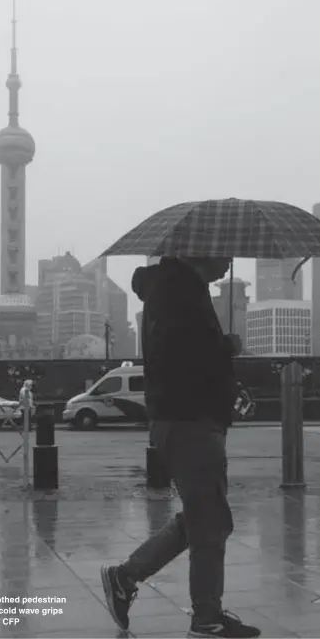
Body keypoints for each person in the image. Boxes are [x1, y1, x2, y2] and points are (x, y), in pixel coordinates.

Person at [100, 256, 260, 638]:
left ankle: (127, 578)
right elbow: (185, 358)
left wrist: (219, 350)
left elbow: (183, 354)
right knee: (210, 522)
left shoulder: (175, 290)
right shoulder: (179, 293)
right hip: (190, 420)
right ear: (199, 253)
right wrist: (225, 347)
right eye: (221, 256)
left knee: (206, 517)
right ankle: (206, 617)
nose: (227, 264)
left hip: (189, 419)